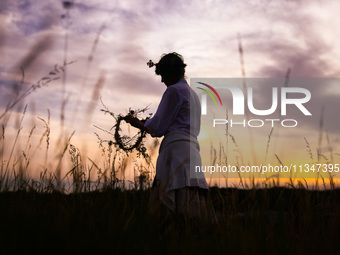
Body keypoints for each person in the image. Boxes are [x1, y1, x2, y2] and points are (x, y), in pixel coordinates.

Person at [127, 52, 216, 223]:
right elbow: (175, 120)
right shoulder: (193, 94)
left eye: (163, 75)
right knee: (191, 199)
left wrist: (139, 123)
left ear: (170, 73)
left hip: (175, 151)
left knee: (170, 210)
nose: (161, 81)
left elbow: (158, 128)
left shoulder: (174, 90)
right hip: (192, 152)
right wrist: (151, 122)